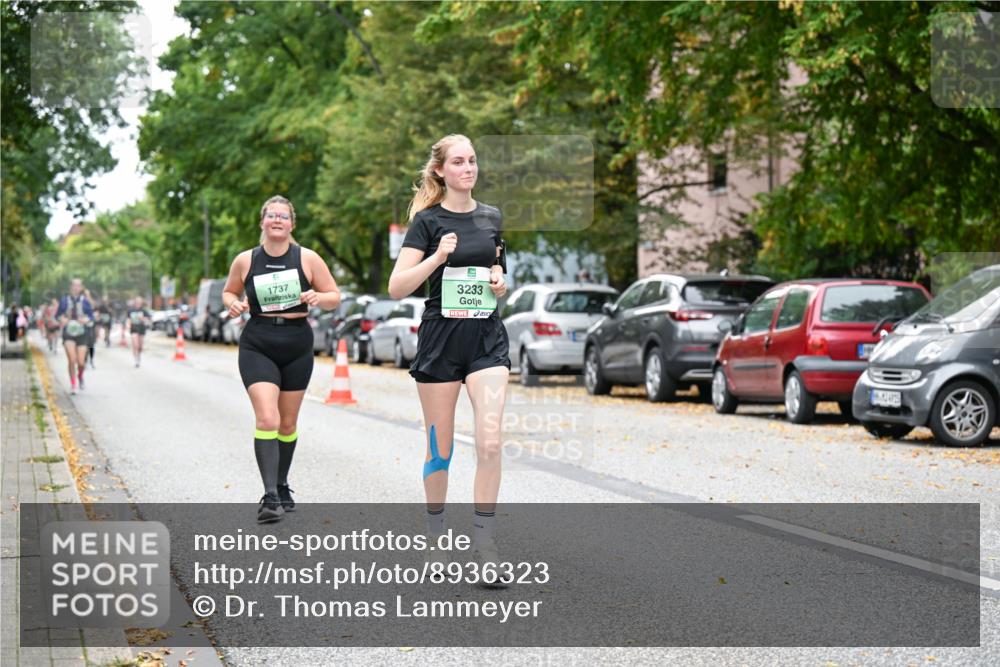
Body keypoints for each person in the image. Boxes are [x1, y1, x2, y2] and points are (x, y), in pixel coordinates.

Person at [387, 134, 510, 582]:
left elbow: (499, 274)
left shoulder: (492, 217)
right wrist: (437, 256)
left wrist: (499, 283)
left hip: (486, 339)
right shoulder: (426, 222)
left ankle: (485, 543)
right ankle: (436, 542)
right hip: (441, 338)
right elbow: (397, 287)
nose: (468, 168)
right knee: (440, 449)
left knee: (491, 440)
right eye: (458, 162)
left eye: (473, 160)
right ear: (440, 170)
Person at [222, 195, 341, 523]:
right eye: (271, 215)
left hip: (297, 343)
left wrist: (320, 297)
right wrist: (233, 303)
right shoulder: (246, 260)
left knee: (287, 424)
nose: (277, 220)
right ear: (262, 222)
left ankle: (281, 482)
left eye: (283, 216)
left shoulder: (308, 258)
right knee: (267, 419)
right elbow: (229, 291)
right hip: (258, 342)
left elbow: (334, 296)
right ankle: (270, 497)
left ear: (292, 224)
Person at [55, 279, 94, 395]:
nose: (76, 288)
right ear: (70, 287)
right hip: (69, 332)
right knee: (72, 359)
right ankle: (73, 384)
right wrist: (62, 319)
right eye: (74, 285)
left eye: (78, 286)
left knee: (81, 362)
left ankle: (80, 376)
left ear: (81, 287)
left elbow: (91, 316)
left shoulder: (85, 301)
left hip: (82, 333)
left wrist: (86, 319)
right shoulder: (64, 300)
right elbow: (58, 315)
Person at [126, 296, 152, 367]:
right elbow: (128, 319)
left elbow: (148, 320)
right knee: (135, 345)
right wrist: (128, 325)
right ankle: (136, 360)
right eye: (137, 301)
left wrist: (143, 318)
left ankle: (139, 355)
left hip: (141, 329)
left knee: (140, 346)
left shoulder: (144, 310)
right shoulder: (130, 310)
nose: (138, 303)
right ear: (135, 302)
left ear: (141, 302)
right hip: (134, 329)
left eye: (139, 302)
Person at [83, 287, 97, 368]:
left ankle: (91, 360)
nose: (86, 296)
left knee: (91, 345)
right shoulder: (80, 303)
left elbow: (95, 309)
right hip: (82, 326)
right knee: (84, 344)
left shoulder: (91, 302)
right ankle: (84, 360)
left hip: (91, 326)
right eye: (85, 294)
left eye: (88, 294)